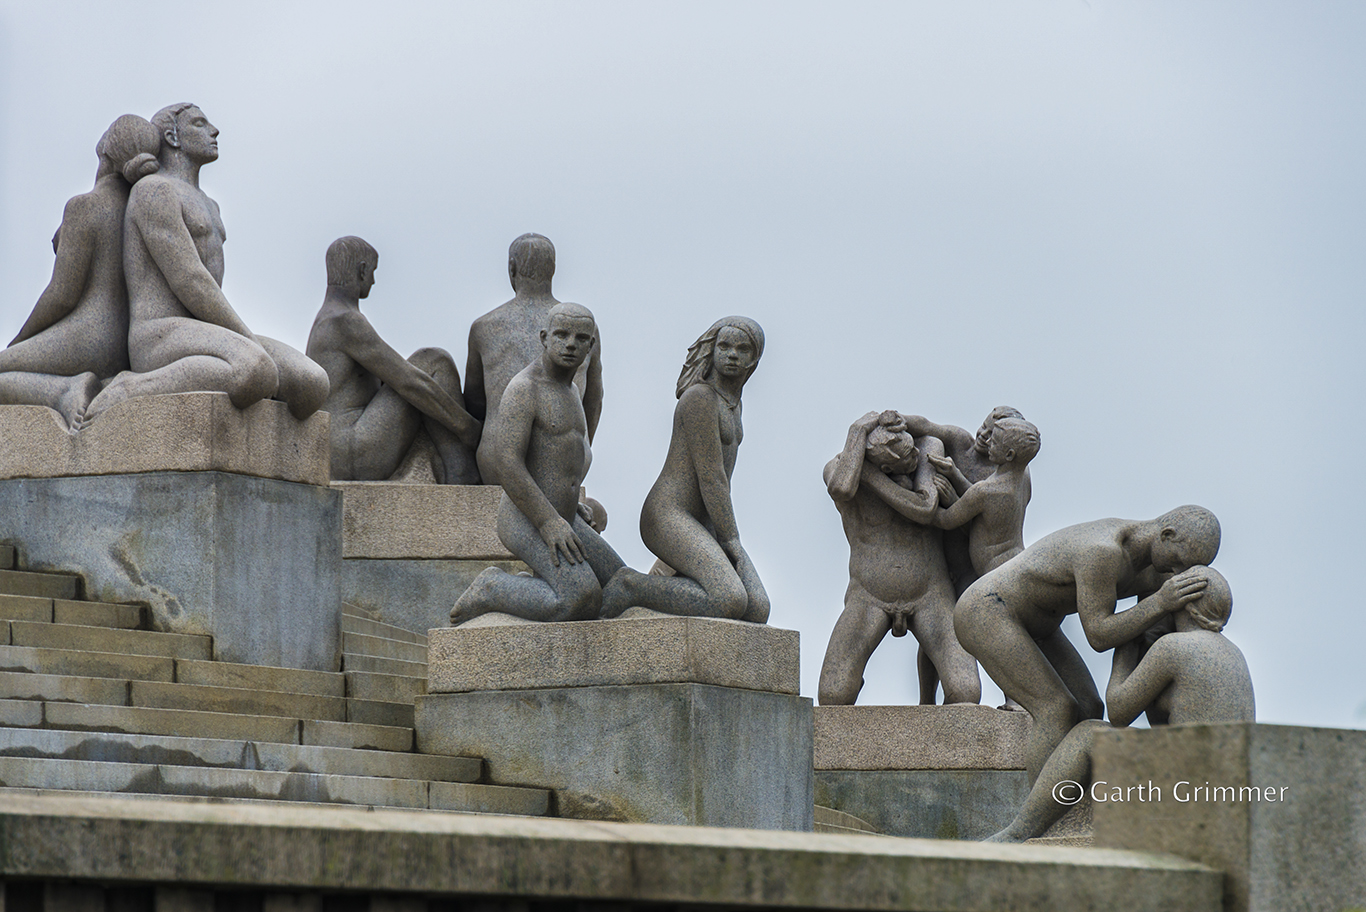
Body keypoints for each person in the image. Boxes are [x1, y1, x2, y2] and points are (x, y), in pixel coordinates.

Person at [80, 103, 328, 426]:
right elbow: (190, 280)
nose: (214, 131)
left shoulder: (211, 204)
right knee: (256, 369)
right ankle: (130, 387)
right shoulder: (153, 190)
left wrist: (243, 339)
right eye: (200, 123)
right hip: (160, 334)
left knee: (312, 383)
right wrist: (248, 341)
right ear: (172, 136)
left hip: (208, 333)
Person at [955, 505, 1222, 783]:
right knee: (1056, 710)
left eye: (1186, 568)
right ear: (1167, 535)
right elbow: (1099, 635)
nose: (1177, 572)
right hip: (986, 611)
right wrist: (1159, 602)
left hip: (1042, 625)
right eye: (1179, 561)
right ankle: (1036, 817)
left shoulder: (1156, 572)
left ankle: (1069, 803)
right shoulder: (1104, 551)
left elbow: (1146, 636)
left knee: (1089, 707)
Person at [986, 567, 1253, 842]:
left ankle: (1019, 832)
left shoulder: (1174, 648)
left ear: (1180, 605)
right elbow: (1167, 727)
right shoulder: (1233, 653)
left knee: (1089, 733)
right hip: (1227, 790)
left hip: (1188, 784)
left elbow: (1118, 711)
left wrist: (1128, 645)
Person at [450, 303, 624, 624]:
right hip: (526, 518)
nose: (570, 343)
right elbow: (507, 464)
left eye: (580, 337)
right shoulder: (525, 388)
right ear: (544, 338)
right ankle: (494, 587)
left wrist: (573, 503)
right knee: (580, 597)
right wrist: (547, 522)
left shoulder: (570, 390)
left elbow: (560, 458)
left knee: (620, 583)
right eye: (561, 335)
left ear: (590, 346)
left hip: (566, 515)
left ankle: (538, 585)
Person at [599, 316, 769, 622]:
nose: (732, 354)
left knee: (757, 608)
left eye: (742, 349)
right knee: (729, 599)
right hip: (668, 515)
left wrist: (721, 535)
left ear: (754, 359)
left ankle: (666, 588)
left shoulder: (733, 403)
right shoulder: (699, 399)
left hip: (706, 520)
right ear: (712, 350)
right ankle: (631, 586)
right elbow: (712, 478)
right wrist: (731, 540)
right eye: (725, 346)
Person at [0, 114, 161, 426]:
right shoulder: (144, 205)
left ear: (105, 153)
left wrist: (20, 340)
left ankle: (62, 390)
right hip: (127, 345)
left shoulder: (85, 206)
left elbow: (62, 295)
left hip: (88, 337)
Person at [816, 410, 981, 705]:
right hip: (868, 595)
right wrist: (858, 429)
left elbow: (925, 507)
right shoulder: (840, 469)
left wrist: (871, 478)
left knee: (965, 691)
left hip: (930, 592)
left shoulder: (927, 448)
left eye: (910, 447)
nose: (913, 457)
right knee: (834, 693)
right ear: (882, 466)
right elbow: (841, 488)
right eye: (903, 459)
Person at [306, 236, 480, 483]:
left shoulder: (329, 318)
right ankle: (462, 469)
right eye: (373, 272)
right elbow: (408, 381)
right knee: (434, 361)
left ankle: (458, 466)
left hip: (342, 451)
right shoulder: (344, 320)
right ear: (362, 270)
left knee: (425, 379)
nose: (374, 281)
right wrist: (469, 428)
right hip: (351, 450)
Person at [464, 233, 603, 483]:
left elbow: (475, 404)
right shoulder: (582, 328)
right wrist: (580, 444)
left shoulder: (483, 327)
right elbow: (593, 402)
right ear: (553, 270)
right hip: (567, 462)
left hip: (496, 464)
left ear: (512, 268)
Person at [930, 416, 1039, 577]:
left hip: (996, 572)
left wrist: (907, 496)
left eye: (994, 442)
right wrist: (955, 478)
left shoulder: (987, 490)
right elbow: (985, 513)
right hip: (1016, 558)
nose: (987, 443)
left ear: (1009, 454)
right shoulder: (1023, 477)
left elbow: (945, 520)